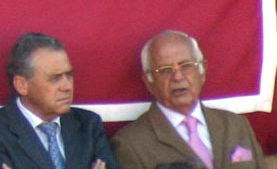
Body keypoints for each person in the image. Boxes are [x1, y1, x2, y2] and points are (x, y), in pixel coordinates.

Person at [110, 31, 266, 169]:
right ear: (149, 82)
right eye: (165, 70)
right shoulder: (130, 144)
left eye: (186, 66)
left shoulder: (236, 125)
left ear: (202, 71)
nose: (177, 77)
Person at [0, 32, 118, 169]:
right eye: (54, 78)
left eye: (69, 75)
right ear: (22, 85)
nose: (67, 86)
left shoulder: (88, 125)